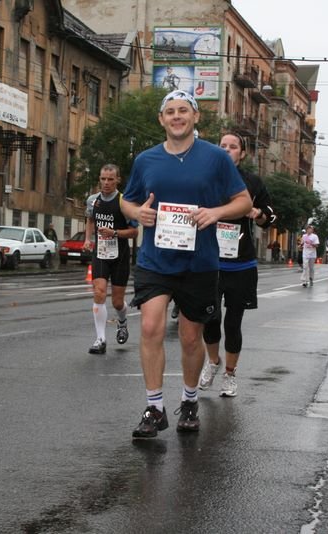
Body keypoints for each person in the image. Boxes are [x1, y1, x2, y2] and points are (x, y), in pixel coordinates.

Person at [120, 90, 252, 439]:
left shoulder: (215, 159)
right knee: (150, 327)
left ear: (195, 118)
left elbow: (243, 201)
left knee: (191, 337)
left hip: (199, 262)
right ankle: (154, 407)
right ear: (161, 120)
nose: (176, 116)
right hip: (155, 260)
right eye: (170, 112)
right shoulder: (145, 160)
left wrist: (216, 212)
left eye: (183, 110)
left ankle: (190, 401)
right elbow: (127, 201)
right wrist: (138, 213)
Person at [199, 132, 275, 398]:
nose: (227, 150)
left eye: (233, 147)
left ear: (242, 154)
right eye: (223, 146)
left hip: (240, 263)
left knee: (232, 323)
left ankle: (230, 375)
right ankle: (213, 362)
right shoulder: (205, 177)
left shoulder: (251, 182)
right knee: (209, 318)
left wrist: (259, 214)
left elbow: (270, 216)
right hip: (209, 260)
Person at [83, 164, 139, 354]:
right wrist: (87, 239)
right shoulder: (93, 200)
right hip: (100, 253)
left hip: (120, 255)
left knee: (117, 302)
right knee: (99, 292)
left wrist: (114, 232)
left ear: (117, 180)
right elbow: (90, 219)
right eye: (103, 179)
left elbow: (134, 232)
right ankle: (100, 339)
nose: (106, 183)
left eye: (110, 179)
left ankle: (122, 322)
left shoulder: (124, 202)